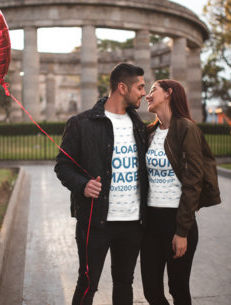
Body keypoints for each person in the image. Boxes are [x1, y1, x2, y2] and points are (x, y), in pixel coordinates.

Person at [54, 63, 148, 305]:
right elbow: (62, 165)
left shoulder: (139, 125)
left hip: (132, 222)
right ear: (121, 88)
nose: (143, 93)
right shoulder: (81, 123)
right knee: (87, 283)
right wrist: (82, 185)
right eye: (140, 87)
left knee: (124, 283)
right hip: (96, 221)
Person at [141, 79, 221, 305]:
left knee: (178, 289)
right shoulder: (149, 133)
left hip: (177, 220)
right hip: (151, 222)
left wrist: (182, 231)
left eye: (152, 90)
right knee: (151, 292)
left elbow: (193, 181)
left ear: (169, 93)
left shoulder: (187, 128)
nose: (148, 95)